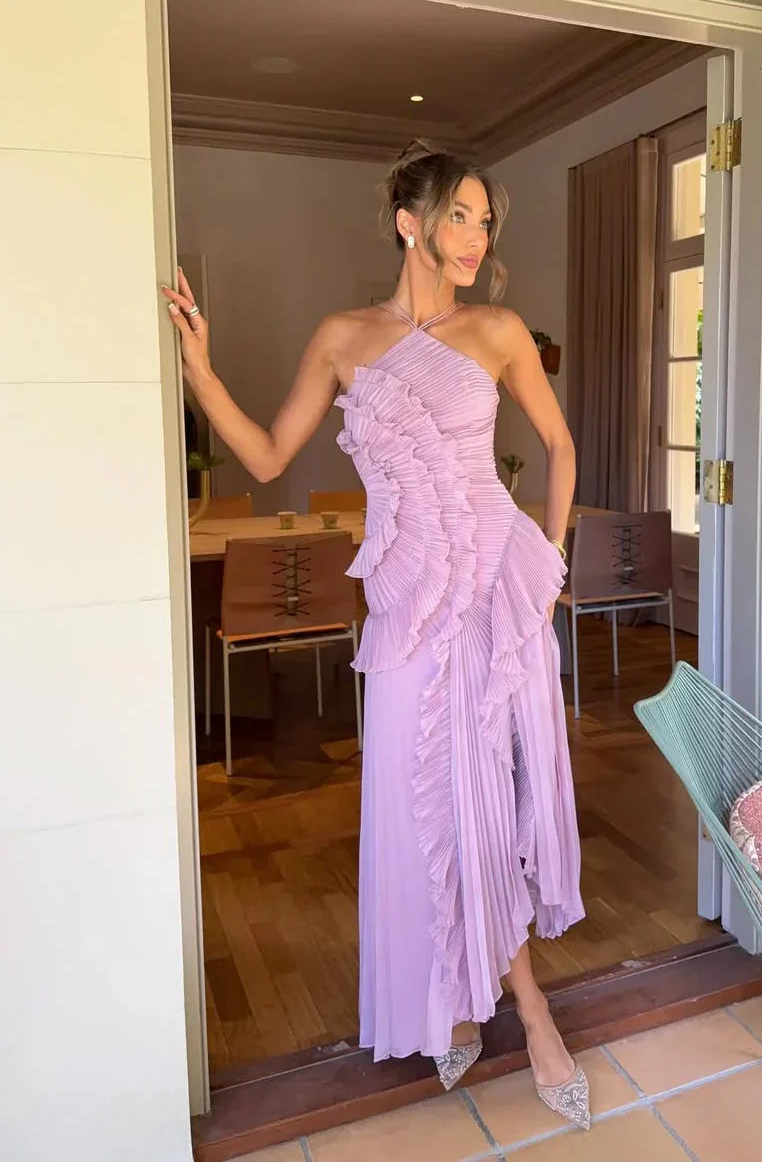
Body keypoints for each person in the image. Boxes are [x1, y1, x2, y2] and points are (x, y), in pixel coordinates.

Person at [162, 142, 589, 1130]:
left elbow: (560, 446)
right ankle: (456, 998)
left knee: (491, 802)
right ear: (410, 222)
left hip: (494, 593)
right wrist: (199, 370)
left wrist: (546, 575)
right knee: (423, 806)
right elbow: (268, 455)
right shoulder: (343, 337)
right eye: (459, 217)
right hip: (406, 609)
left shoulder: (498, 330)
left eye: (486, 222)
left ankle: (529, 1006)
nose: (476, 237)